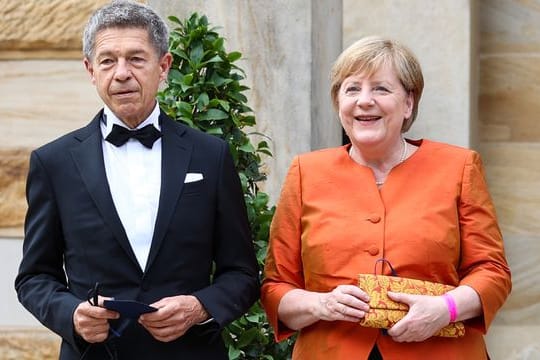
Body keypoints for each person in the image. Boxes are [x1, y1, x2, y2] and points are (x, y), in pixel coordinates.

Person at [15, 1, 259, 359]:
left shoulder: (211, 155)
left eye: (136, 59)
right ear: (90, 70)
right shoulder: (53, 162)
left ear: (164, 67)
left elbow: (242, 272)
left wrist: (199, 306)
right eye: (108, 61)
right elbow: (34, 278)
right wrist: (73, 315)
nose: (122, 73)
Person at [261, 36, 511, 359]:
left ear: (408, 103)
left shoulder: (458, 167)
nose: (365, 101)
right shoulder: (305, 172)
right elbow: (275, 287)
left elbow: (492, 272)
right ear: (339, 103)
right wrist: (321, 304)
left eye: (381, 88)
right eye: (352, 89)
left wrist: (445, 309)